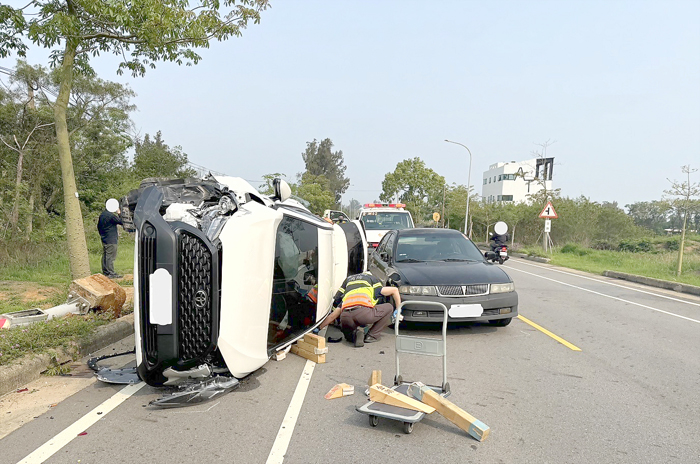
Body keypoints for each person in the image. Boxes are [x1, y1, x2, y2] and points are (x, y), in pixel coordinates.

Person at [319, 272, 401, 347]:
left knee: (348, 336)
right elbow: (395, 290)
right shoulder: (372, 288)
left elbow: (332, 316)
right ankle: (371, 336)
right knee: (389, 307)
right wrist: (398, 310)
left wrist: (318, 328)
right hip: (363, 314)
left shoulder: (347, 295)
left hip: (345, 318)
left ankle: (354, 335)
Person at [98, 198, 123, 279]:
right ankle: (111, 273)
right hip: (111, 238)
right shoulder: (111, 216)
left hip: (104, 237)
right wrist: (119, 213)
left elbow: (98, 226)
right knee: (110, 256)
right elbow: (121, 222)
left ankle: (105, 271)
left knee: (105, 255)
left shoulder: (102, 215)